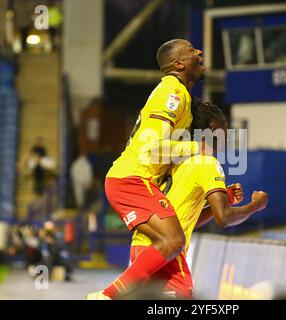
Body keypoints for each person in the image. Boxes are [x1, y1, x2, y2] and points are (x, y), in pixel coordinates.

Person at [87, 101, 268, 300]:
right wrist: (254, 206)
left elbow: (189, 220)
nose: (224, 140)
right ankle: (107, 295)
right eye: (222, 133)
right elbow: (224, 218)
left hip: (145, 249)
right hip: (168, 256)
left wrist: (226, 200)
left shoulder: (172, 162)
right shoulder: (207, 163)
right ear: (206, 134)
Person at [88, 39, 205, 298]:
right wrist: (197, 148)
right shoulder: (172, 92)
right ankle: (107, 296)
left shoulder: (177, 92)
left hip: (134, 180)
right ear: (178, 63)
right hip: (132, 178)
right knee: (173, 241)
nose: (199, 52)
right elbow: (154, 148)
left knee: (171, 249)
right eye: (191, 50)